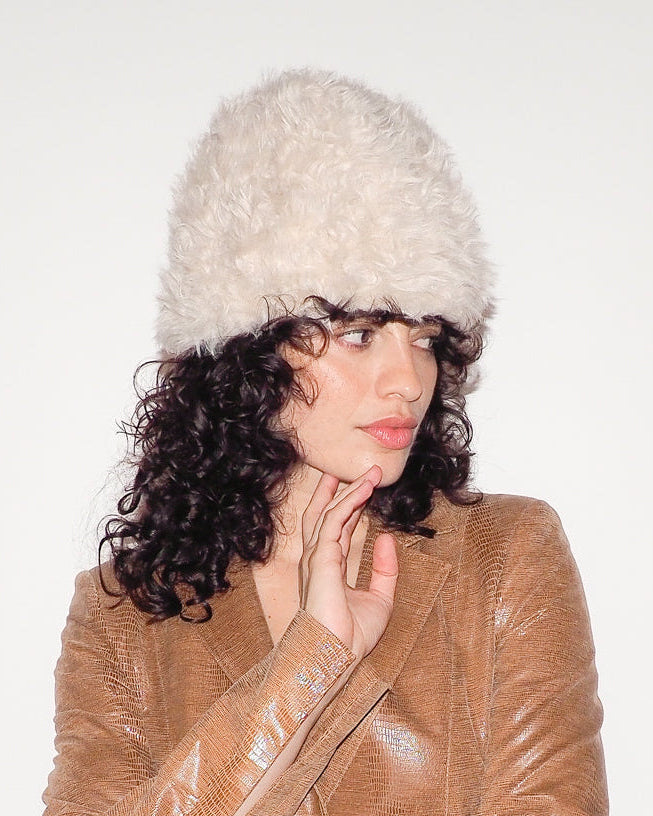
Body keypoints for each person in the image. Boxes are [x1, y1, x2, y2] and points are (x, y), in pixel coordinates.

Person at [43, 69, 608, 815]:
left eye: (427, 339)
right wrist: (310, 662)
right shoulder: (125, 616)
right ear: (251, 350)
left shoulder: (505, 557)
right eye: (360, 334)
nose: (407, 379)